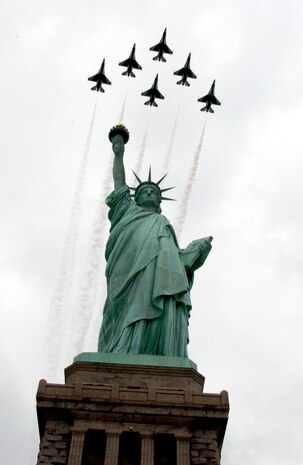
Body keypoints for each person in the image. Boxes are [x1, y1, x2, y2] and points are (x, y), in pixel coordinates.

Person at [98, 126, 212, 357]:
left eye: (154, 192)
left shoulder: (163, 224)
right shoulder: (126, 211)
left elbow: (176, 262)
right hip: (127, 271)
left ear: (159, 201)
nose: (149, 193)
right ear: (136, 198)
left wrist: (193, 253)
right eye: (145, 191)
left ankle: (156, 349)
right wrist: (118, 154)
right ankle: (123, 349)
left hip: (159, 276)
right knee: (128, 307)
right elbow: (119, 182)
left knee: (161, 299)